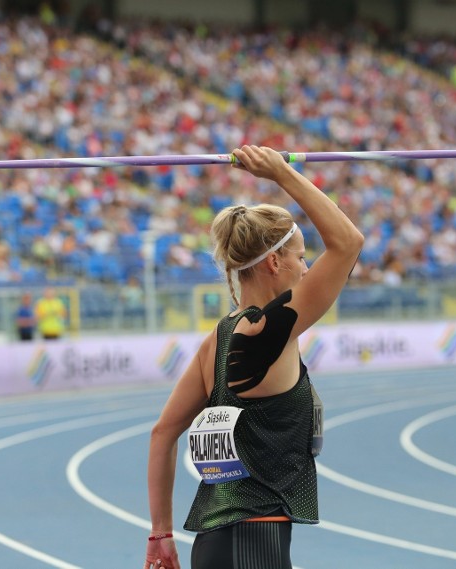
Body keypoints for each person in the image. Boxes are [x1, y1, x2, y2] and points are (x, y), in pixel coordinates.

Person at [143, 145, 364, 569]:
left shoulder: (219, 338)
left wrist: (160, 533)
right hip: (253, 540)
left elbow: (162, 434)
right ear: (275, 262)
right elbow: (348, 243)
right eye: (301, 257)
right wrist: (282, 174)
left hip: (215, 542)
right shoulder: (269, 330)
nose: (306, 269)